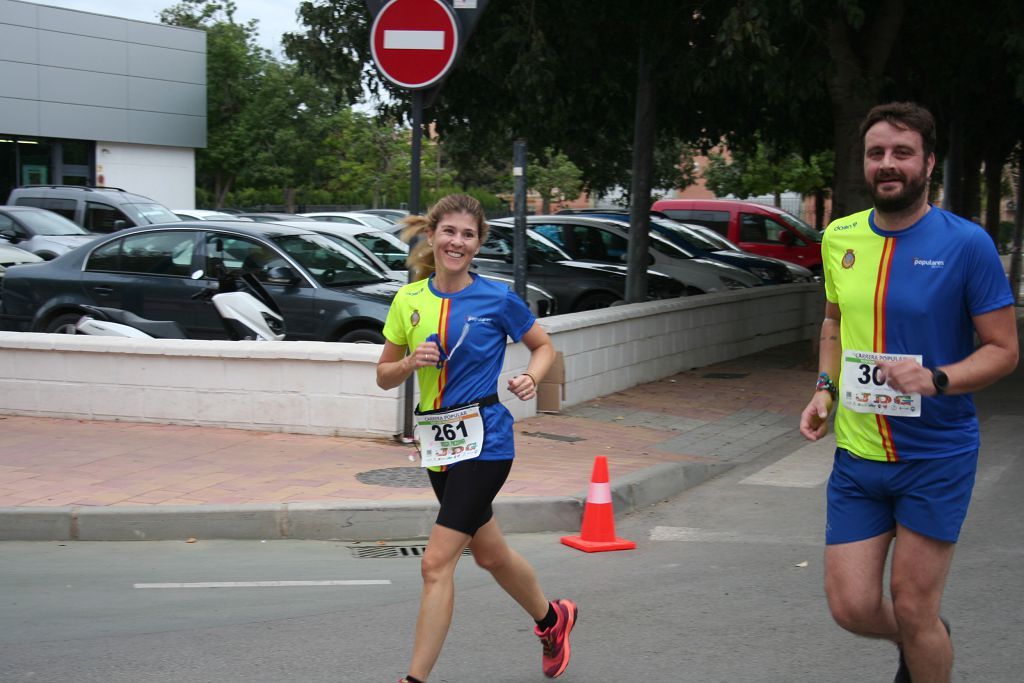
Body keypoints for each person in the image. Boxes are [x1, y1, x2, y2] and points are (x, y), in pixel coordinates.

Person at [799, 101, 1018, 682]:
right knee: (852, 607)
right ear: (864, 163)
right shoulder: (839, 236)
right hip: (858, 455)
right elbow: (834, 323)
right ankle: (929, 641)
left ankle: (924, 644)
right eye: (877, 154)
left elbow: (1003, 349)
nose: (887, 164)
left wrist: (938, 378)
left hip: (935, 456)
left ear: (928, 164)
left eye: (902, 153)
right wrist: (825, 388)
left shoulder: (967, 245)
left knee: (915, 604)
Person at [376, 194, 578, 682]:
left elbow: (543, 344)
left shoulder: (497, 299)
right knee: (488, 554)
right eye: (449, 232)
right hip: (438, 444)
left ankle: (414, 680)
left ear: (478, 243)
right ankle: (553, 620)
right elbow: (384, 375)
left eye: (468, 235)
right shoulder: (409, 300)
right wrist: (408, 363)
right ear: (432, 235)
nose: (457, 242)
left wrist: (533, 376)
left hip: (486, 440)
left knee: (435, 563)